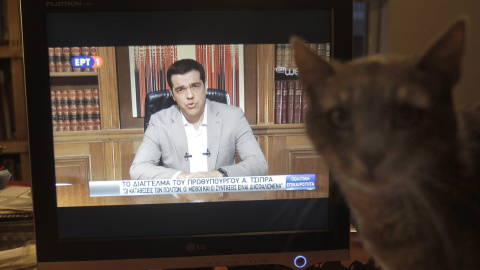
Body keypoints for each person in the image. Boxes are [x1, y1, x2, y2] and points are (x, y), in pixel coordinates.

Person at [130, 59, 268, 180]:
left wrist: (218, 175)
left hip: (221, 200)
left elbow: (259, 164)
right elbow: (138, 169)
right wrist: (180, 177)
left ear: (205, 85)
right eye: (181, 89)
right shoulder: (159, 122)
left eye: (195, 86)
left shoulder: (234, 116)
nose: (190, 95)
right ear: (172, 94)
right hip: (179, 202)